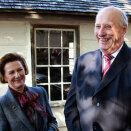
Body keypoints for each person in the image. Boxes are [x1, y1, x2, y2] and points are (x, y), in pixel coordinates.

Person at [64, 6, 131, 131]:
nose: (100, 33)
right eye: (98, 26)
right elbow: (71, 108)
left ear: (123, 30)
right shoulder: (82, 62)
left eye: (108, 26)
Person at [0, 53, 59, 131]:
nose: (17, 75)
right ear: (4, 77)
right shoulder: (2, 103)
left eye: (19, 70)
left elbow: (52, 121)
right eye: (11, 72)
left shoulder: (40, 92)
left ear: (25, 70)